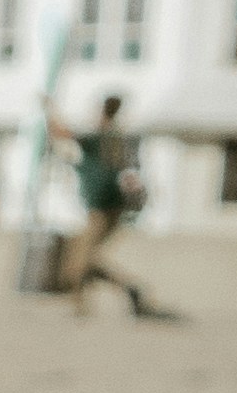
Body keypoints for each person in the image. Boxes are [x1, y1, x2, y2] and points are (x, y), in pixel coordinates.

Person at [56, 91, 169, 320]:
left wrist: (49, 110)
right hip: (104, 208)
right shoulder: (113, 138)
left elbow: (64, 134)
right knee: (80, 260)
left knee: (80, 262)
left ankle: (124, 292)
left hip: (103, 209)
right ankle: (88, 303)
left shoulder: (102, 137)